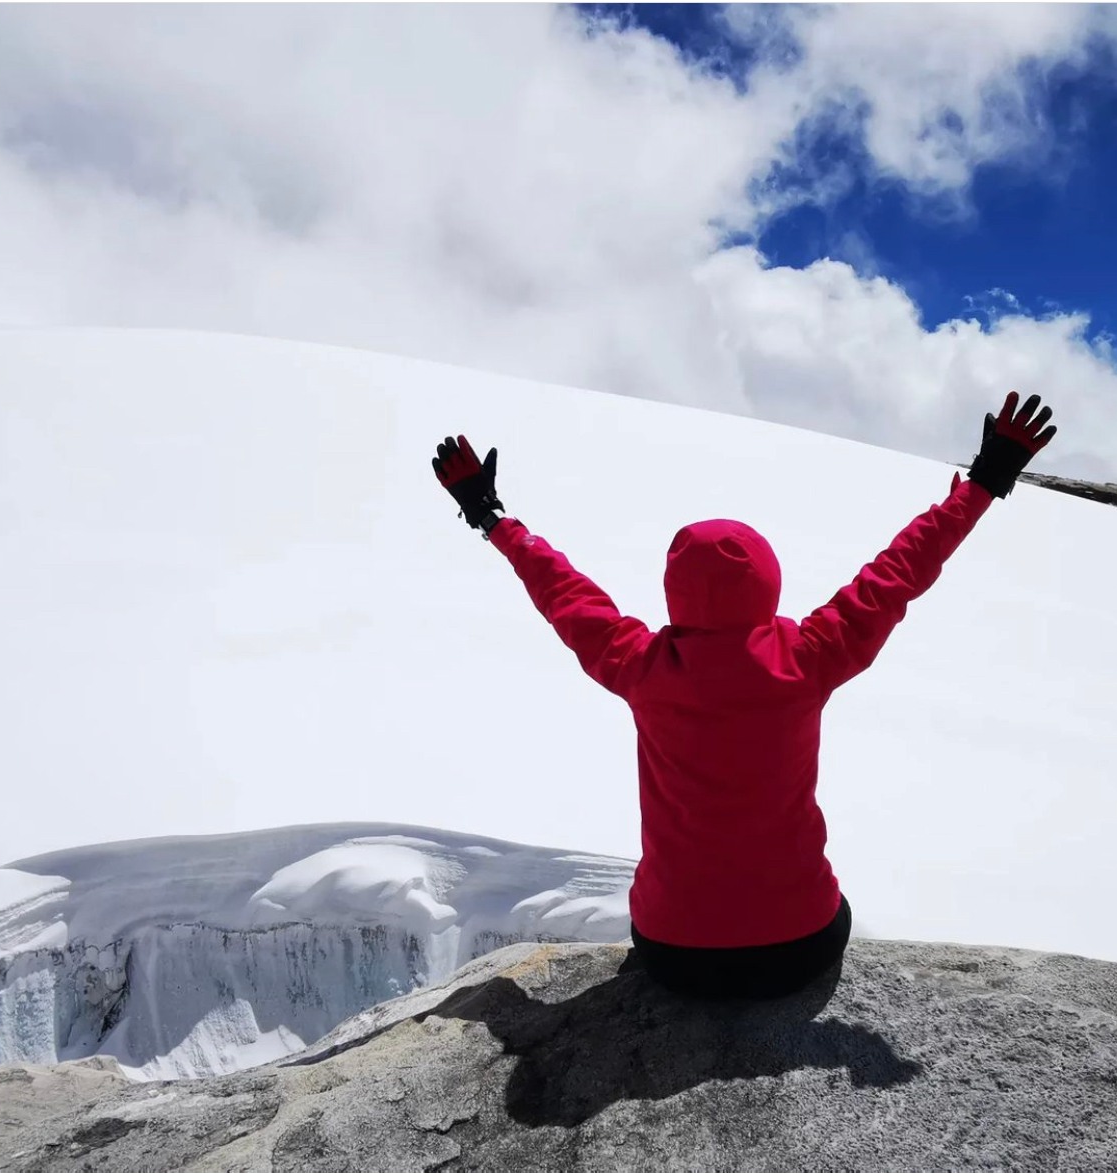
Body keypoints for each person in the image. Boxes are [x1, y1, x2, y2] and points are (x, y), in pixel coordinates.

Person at [431, 392, 1057, 999]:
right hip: (799, 943)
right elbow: (898, 573)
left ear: (674, 588)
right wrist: (982, 484)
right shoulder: (809, 657)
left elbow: (561, 589)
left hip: (672, 953)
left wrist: (489, 515)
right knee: (824, 902)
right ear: (768, 583)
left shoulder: (640, 664)